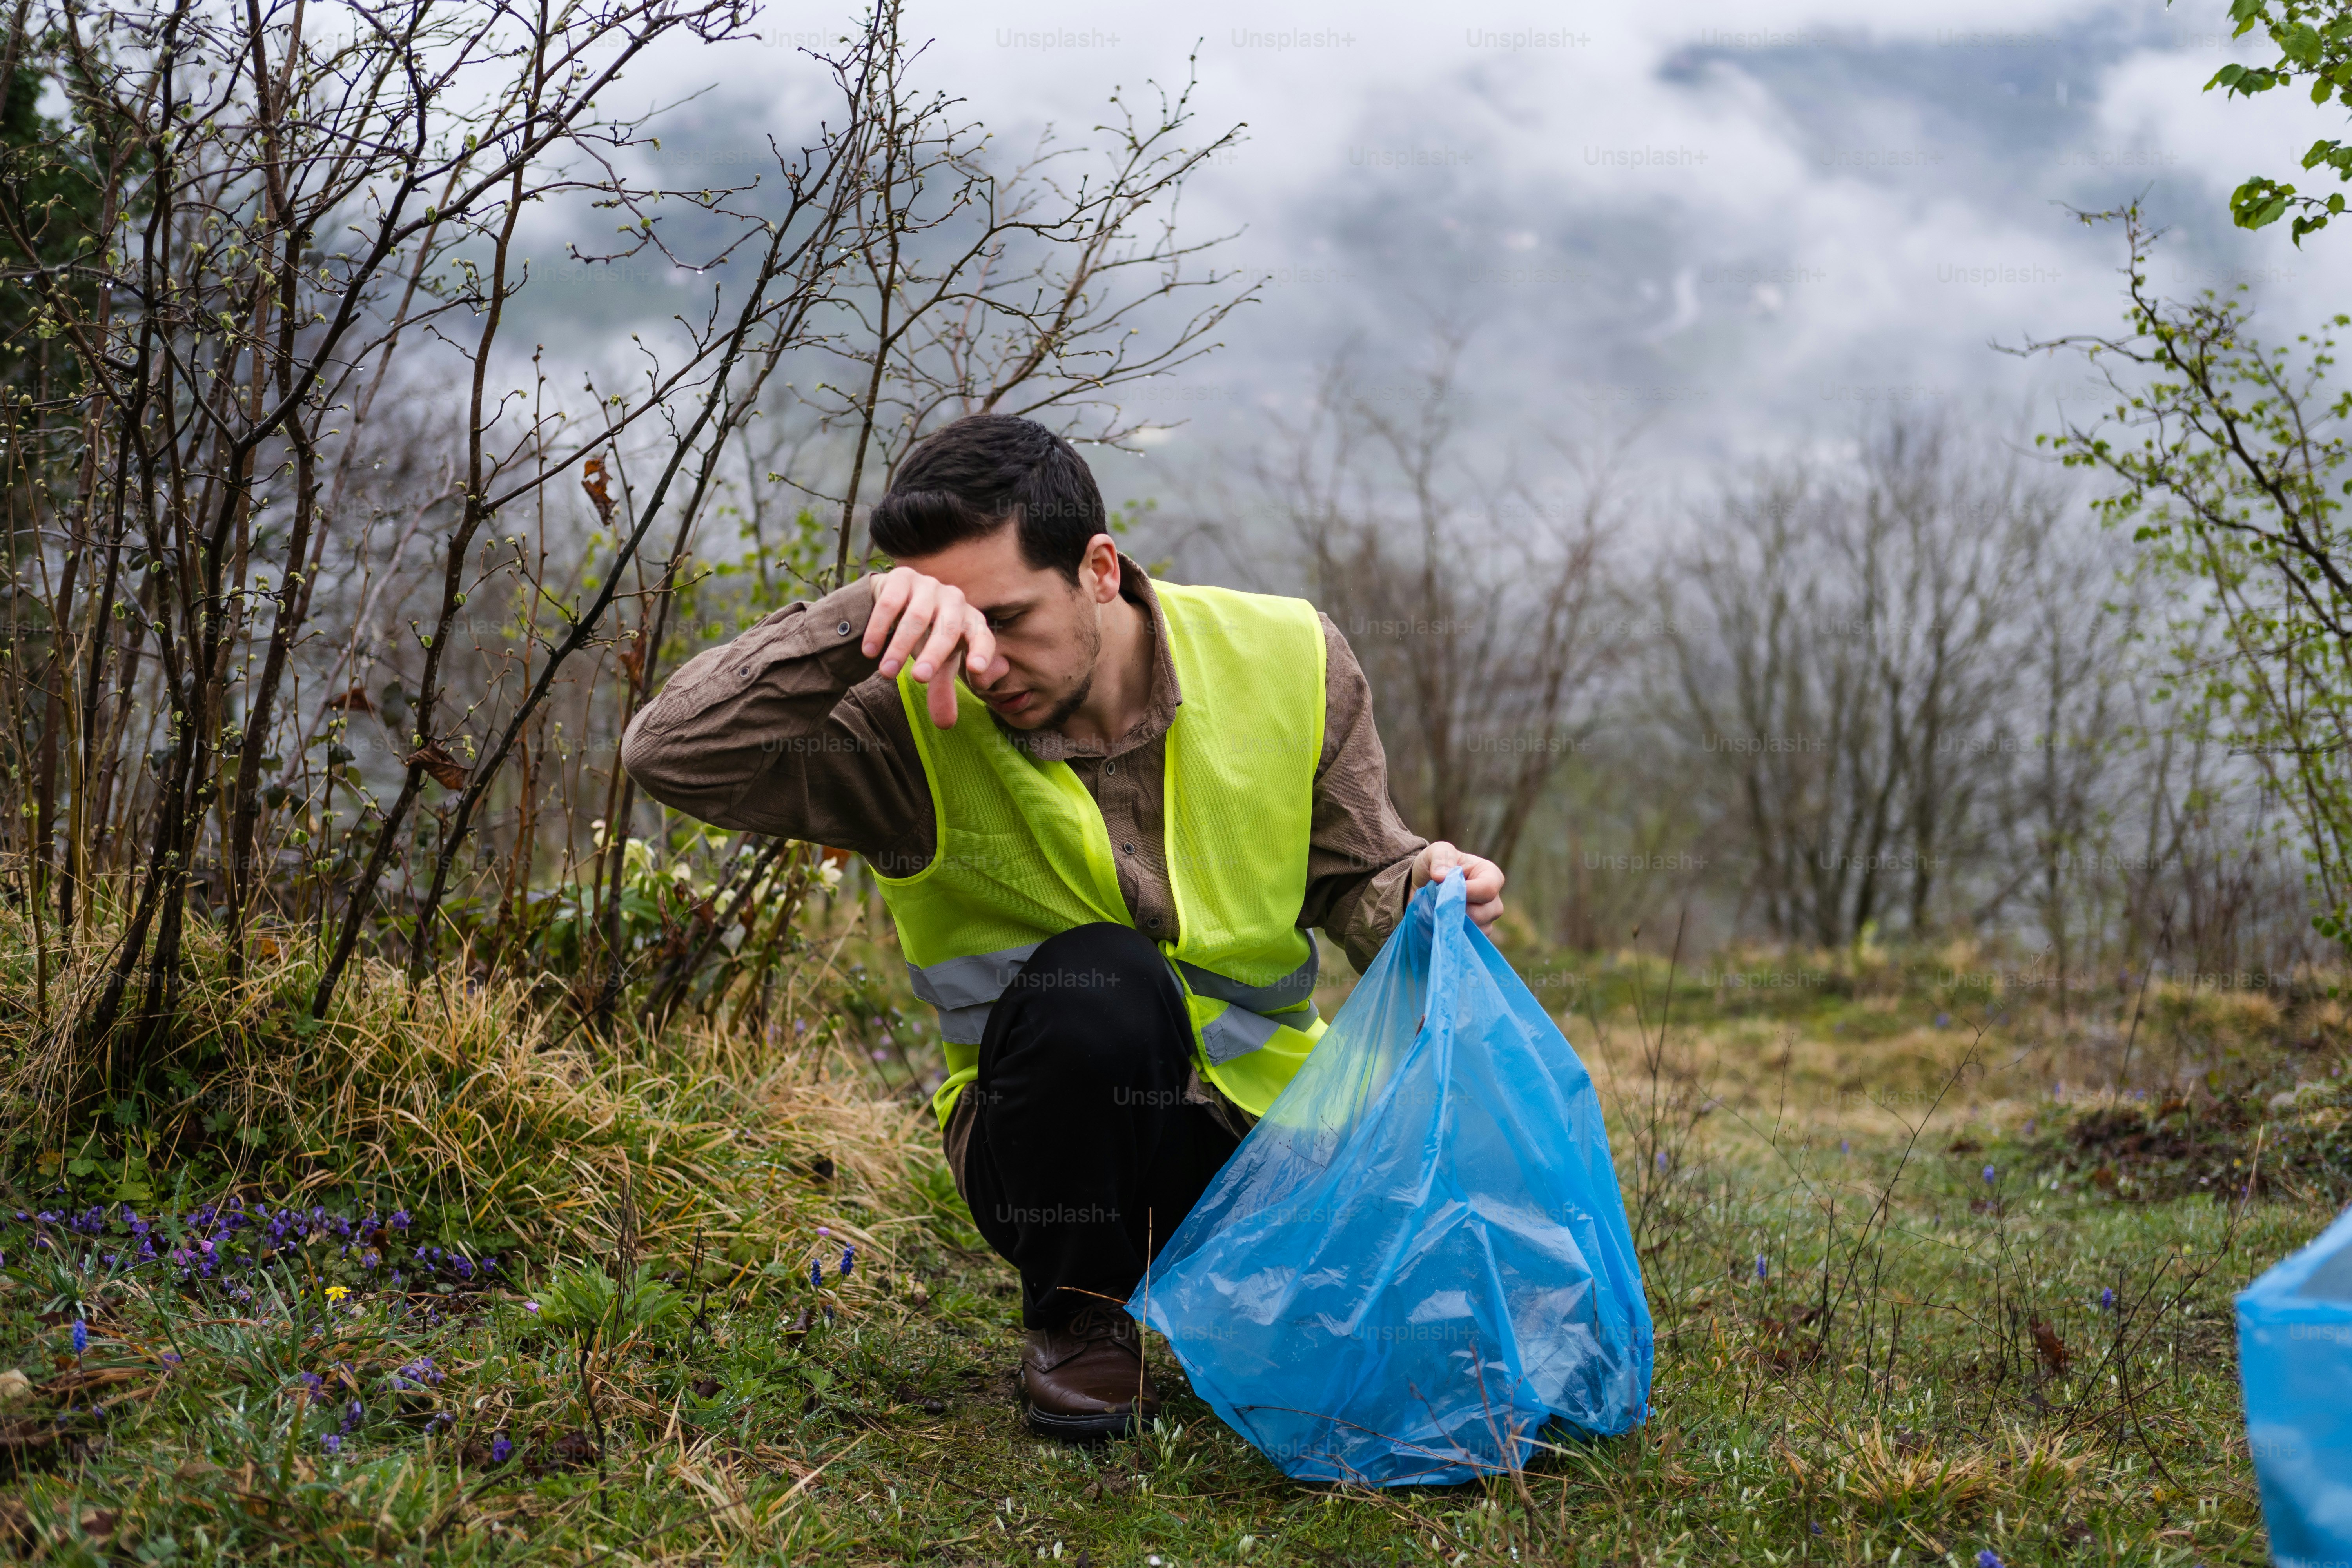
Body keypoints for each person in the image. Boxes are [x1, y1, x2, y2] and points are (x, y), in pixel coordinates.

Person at [622, 414, 1505, 1439]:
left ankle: (1266, 1277)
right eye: (956, 623)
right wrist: (856, 619)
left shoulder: (1288, 656)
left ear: (1097, 568)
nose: (984, 661)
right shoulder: (904, 721)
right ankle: (1079, 1323)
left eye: (1004, 617)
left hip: (1277, 1142)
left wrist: (1430, 885)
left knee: (1437, 1360)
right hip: (1045, 1157)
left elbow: (1362, 871)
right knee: (1104, 978)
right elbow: (671, 755)